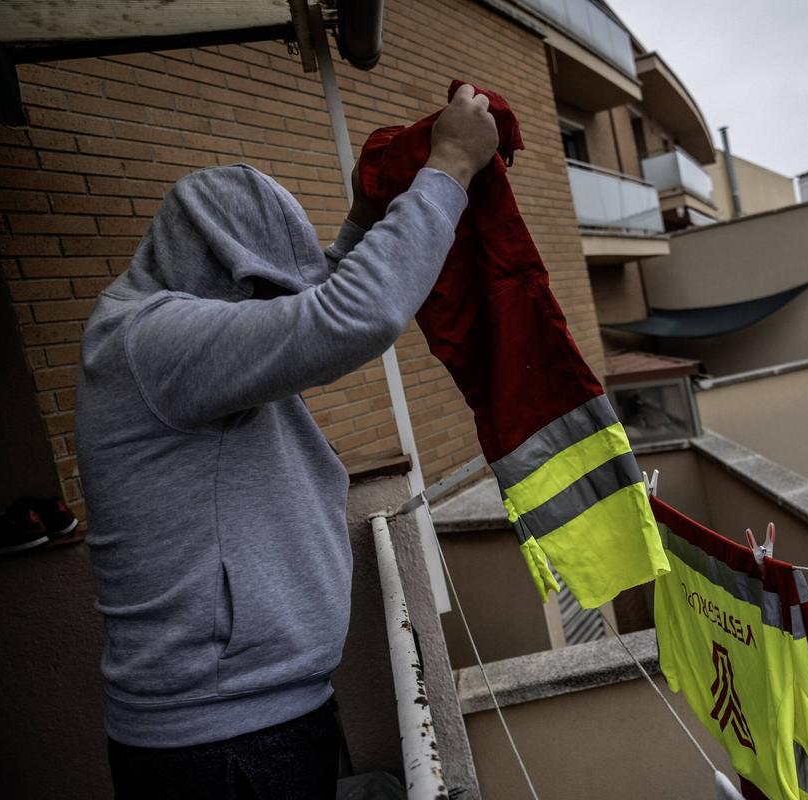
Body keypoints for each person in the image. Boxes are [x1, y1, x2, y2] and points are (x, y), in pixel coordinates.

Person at [75, 84, 498, 799]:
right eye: (263, 292)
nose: (274, 316)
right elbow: (343, 319)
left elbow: (302, 309)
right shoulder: (152, 340)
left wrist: (367, 219)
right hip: (224, 748)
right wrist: (450, 164)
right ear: (213, 264)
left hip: (249, 723)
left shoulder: (176, 335)